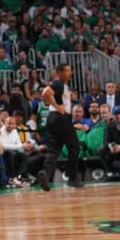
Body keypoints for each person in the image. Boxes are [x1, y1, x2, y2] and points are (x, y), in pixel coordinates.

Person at [41, 63, 84, 193]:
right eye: (66, 70)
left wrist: (56, 103)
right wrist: (58, 106)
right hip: (61, 118)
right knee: (75, 147)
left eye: (70, 70)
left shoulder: (63, 86)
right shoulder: (59, 83)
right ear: (59, 72)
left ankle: (45, 173)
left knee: (54, 150)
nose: (70, 73)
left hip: (52, 118)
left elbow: (46, 98)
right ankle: (72, 177)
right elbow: (44, 93)